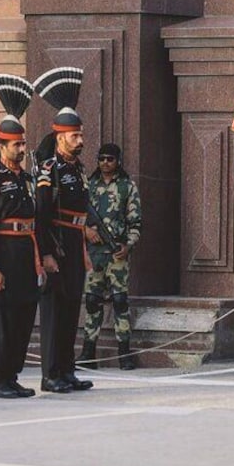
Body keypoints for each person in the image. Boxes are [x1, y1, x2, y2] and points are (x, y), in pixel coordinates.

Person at [0, 74, 39, 398]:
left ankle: (11, 376)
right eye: (16, 144)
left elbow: (36, 221)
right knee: (2, 323)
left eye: (23, 143)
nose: (21, 148)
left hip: (26, 255)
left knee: (24, 315)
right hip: (4, 255)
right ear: (2, 146)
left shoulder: (27, 179)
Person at [35, 67, 94, 393]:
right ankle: (51, 374)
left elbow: (80, 215)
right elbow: (42, 216)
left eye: (81, 134)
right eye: (75, 136)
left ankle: (67, 371)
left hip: (74, 242)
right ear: (60, 137)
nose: (80, 140)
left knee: (72, 307)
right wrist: (45, 253)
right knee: (55, 311)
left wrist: (83, 249)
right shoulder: (50, 170)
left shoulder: (78, 170)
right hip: (55, 244)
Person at [78, 144, 142, 371]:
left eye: (110, 159)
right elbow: (76, 215)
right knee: (92, 301)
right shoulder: (87, 185)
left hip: (117, 254)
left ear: (118, 161)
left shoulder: (127, 187)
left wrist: (128, 245)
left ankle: (124, 352)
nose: (105, 163)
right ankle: (88, 351)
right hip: (94, 254)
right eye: (102, 158)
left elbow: (135, 222)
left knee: (120, 302)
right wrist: (86, 231)